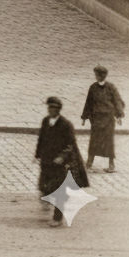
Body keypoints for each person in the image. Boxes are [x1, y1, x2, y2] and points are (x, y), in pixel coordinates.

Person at [36, 96, 88, 224]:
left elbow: (70, 145)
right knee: (44, 184)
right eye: (49, 107)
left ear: (58, 110)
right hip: (47, 161)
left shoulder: (66, 125)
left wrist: (62, 157)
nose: (50, 110)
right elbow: (41, 138)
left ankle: (57, 218)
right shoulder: (45, 121)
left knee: (60, 190)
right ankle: (47, 197)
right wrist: (37, 154)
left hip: (60, 164)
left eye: (53, 108)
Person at [82, 65, 125, 172]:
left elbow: (117, 101)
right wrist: (84, 117)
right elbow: (88, 103)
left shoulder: (111, 87)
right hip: (96, 119)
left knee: (109, 142)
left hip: (108, 119)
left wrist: (119, 115)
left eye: (98, 75)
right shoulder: (93, 88)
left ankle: (111, 165)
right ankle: (89, 164)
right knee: (94, 141)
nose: (96, 76)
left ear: (103, 75)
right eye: (96, 74)